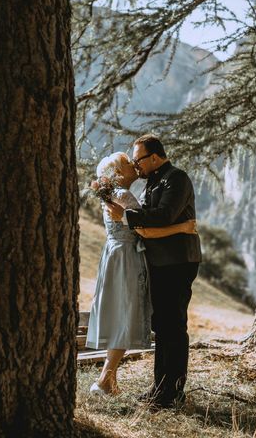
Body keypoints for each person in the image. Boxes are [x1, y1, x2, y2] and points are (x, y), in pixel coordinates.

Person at [87, 152, 197, 395]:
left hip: (116, 256)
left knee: (121, 315)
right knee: (126, 315)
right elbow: (146, 228)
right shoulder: (123, 196)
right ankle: (106, 379)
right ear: (116, 174)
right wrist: (183, 227)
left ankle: (108, 379)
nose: (133, 164)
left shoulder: (115, 195)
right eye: (128, 163)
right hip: (127, 259)